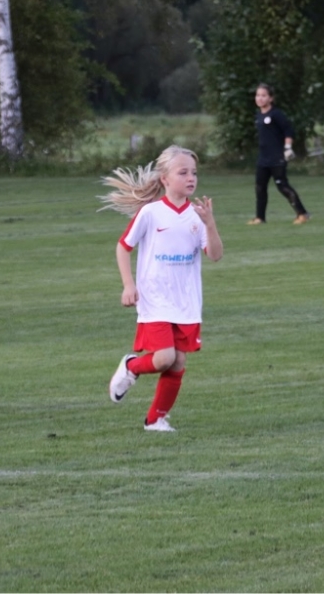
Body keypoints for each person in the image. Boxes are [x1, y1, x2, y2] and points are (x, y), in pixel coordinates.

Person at [102, 145, 224, 433]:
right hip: (154, 298)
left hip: (186, 302)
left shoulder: (197, 215)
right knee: (165, 357)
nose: (191, 178)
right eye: (183, 172)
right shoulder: (151, 212)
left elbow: (215, 255)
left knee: (178, 362)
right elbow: (123, 247)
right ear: (165, 179)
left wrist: (210, 224)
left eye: (194, 172)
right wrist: (128, 285)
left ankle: (155, 419)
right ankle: (131, 367)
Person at [248, 83, 310, 225]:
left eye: (264, 95)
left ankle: (302, 214)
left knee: (282, 186)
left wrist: (288, 148)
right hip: (263, 158)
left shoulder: (276, 114)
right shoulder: (258, 115)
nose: (260, 98)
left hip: (277, 158)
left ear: (270, 98)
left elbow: (288, 131)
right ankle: (260, 218)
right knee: (260, 187)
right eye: (258, 95)